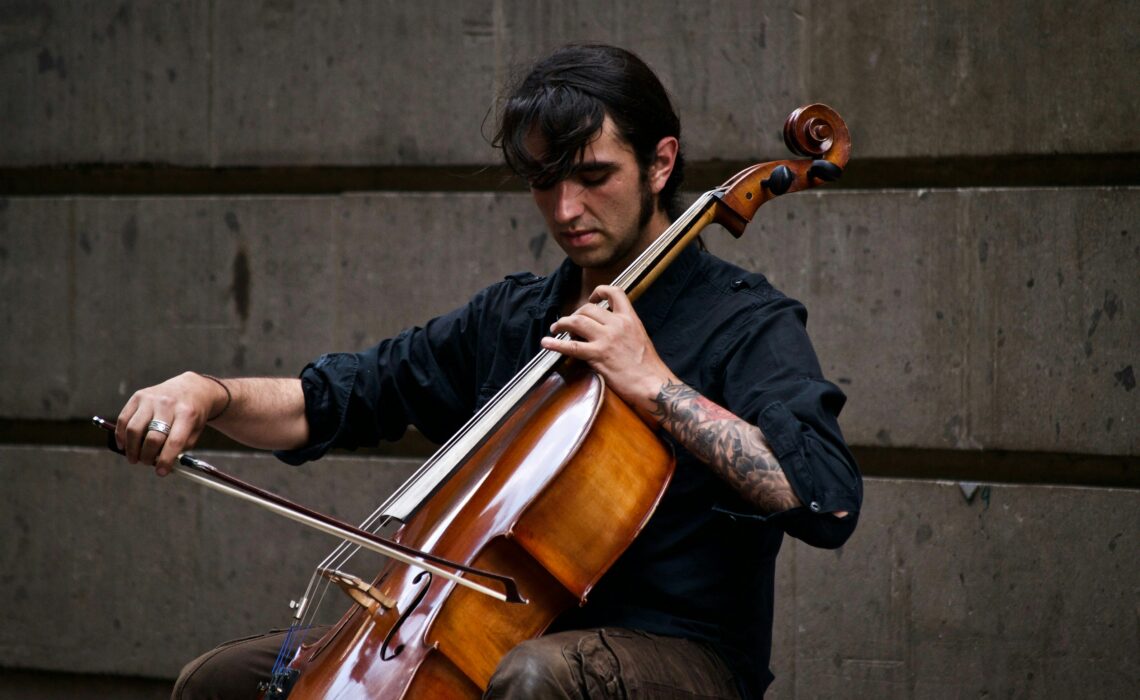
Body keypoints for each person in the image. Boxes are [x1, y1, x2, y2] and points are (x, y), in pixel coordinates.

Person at [116, 44, 862, 699]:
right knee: (219, 683)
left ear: (660, 162)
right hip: (489, 627)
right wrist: (209, 393)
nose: (566, 208)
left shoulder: (745, 322)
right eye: (543, 182)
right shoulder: (512, 319)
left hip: (677, 654)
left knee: (533, 677)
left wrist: (654, 385)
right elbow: (333, 399)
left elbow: (825, 501)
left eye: (593, 175)